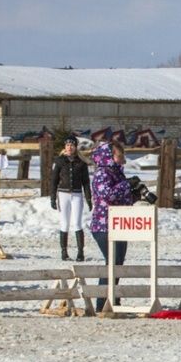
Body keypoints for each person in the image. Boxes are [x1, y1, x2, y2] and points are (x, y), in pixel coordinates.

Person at [89, 141, 133, 312]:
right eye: (119, 156)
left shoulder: (118, 173)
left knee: (118, 264)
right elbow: (107, 194)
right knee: (112, 263)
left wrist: (133, 191)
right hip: (103, 225)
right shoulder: (102, 173)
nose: (121, 160)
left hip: (120, 223)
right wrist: (125, 185)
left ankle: (113, 298)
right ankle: (102, 303)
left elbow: (122, 195)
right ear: (110, 156)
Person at [51, 134, 92, 261]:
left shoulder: (81, 163)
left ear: (75, 147)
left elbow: (86, 182)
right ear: (65, 146)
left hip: (77, 194)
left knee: (78, 223)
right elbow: (54, 181)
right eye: (68, 145)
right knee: (65, 223)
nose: (69, 147)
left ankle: (80, 252)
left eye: (72, 145)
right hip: (63, 194)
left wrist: (89, 198)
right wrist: (52, 197)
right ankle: (64, 252)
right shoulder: (59, 161)